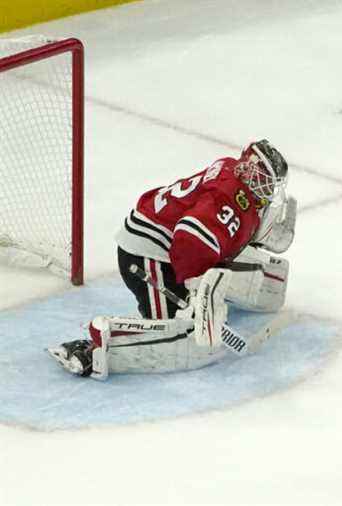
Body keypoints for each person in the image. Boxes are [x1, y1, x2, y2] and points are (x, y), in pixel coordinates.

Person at [48, 139, 297, 379]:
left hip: (161, 238)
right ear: (254, 174)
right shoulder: (229, 201)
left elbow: (219, 232)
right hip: (147, 256)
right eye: (268, 183)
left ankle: (226, 287)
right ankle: (95, 350)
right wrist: (193, 288)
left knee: (230, 274)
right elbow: (189, 239)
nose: (271, 191)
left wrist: (256, 232)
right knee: (192, 337)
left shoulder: (232, 169)